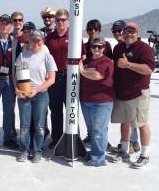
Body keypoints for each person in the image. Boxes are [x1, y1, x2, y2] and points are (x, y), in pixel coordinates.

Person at [111, 22, 155, 168]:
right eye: (127, 31)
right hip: (122, 92)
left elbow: (149, 69)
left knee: (141, 123)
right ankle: (124, 150)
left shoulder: (145, 49)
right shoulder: (118, 48)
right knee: (125, 122)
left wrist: (129, 64)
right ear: (123, 33)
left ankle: (144, 154)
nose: (129, 34)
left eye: (132, 31)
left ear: (138, 33)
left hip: (139, 93)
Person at [15, 30, 57, 163]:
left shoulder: (47, 57)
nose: (35, 42)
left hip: (41, 95)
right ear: (29, 40)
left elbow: (51, 79)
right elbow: (16, 75)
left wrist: (37, 90)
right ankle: (25, 150)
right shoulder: (23, 55)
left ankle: (38, 151)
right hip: (24, 94)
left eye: (38, 40)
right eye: (33, 40)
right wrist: (16, 89)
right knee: (24, 125)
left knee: (39, 125)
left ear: (42, 41)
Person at [46, 9, 85, 148]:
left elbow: (83, 55)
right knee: (55, 110)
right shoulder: (50, 37)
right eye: (58, 20)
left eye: (63, 19)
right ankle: (56, 139)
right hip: (55, 79)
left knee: (71, 108)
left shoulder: (74, 35)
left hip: (71, 78)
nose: (60, 22)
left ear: (68, 20)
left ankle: (74, 138)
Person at [79, 37, 114, 166]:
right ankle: (96, 152)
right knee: (93, 129)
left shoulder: (106, 62)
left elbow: (97, 75)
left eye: (100, 47)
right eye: (94, 46)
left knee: (99, 130)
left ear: (104, 48)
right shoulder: (87, 61)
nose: (97, 49)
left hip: (102, 102)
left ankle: (98, 158)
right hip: (86, 100)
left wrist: (82, 71)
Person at [111, 20, 140, 154]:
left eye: (119, 31)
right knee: (126, 119)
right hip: (122, 87)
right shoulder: (118, 47)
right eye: (114, 31)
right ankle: (127, 143)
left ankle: (133, 144)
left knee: (133, 118)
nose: (117, 34)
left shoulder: (135, 47)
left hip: (134, 88)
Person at [83, 19, 113, 145]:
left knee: (100, 123)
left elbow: (107, 65)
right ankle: (92, 137)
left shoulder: (106, 45)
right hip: (87, 90)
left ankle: (102, 145)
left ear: (99, 30)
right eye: (90, 29)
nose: (92, 32)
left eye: (95, 29)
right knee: (91, 122)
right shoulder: (85, 46)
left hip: (102, 89)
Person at [0, 14, 18, 149]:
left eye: (7, 24)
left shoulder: (14, 41)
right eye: (2, 23)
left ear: (10, 26)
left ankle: (8, 137)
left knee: (9, 110)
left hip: (9, 81)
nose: (4, 26)